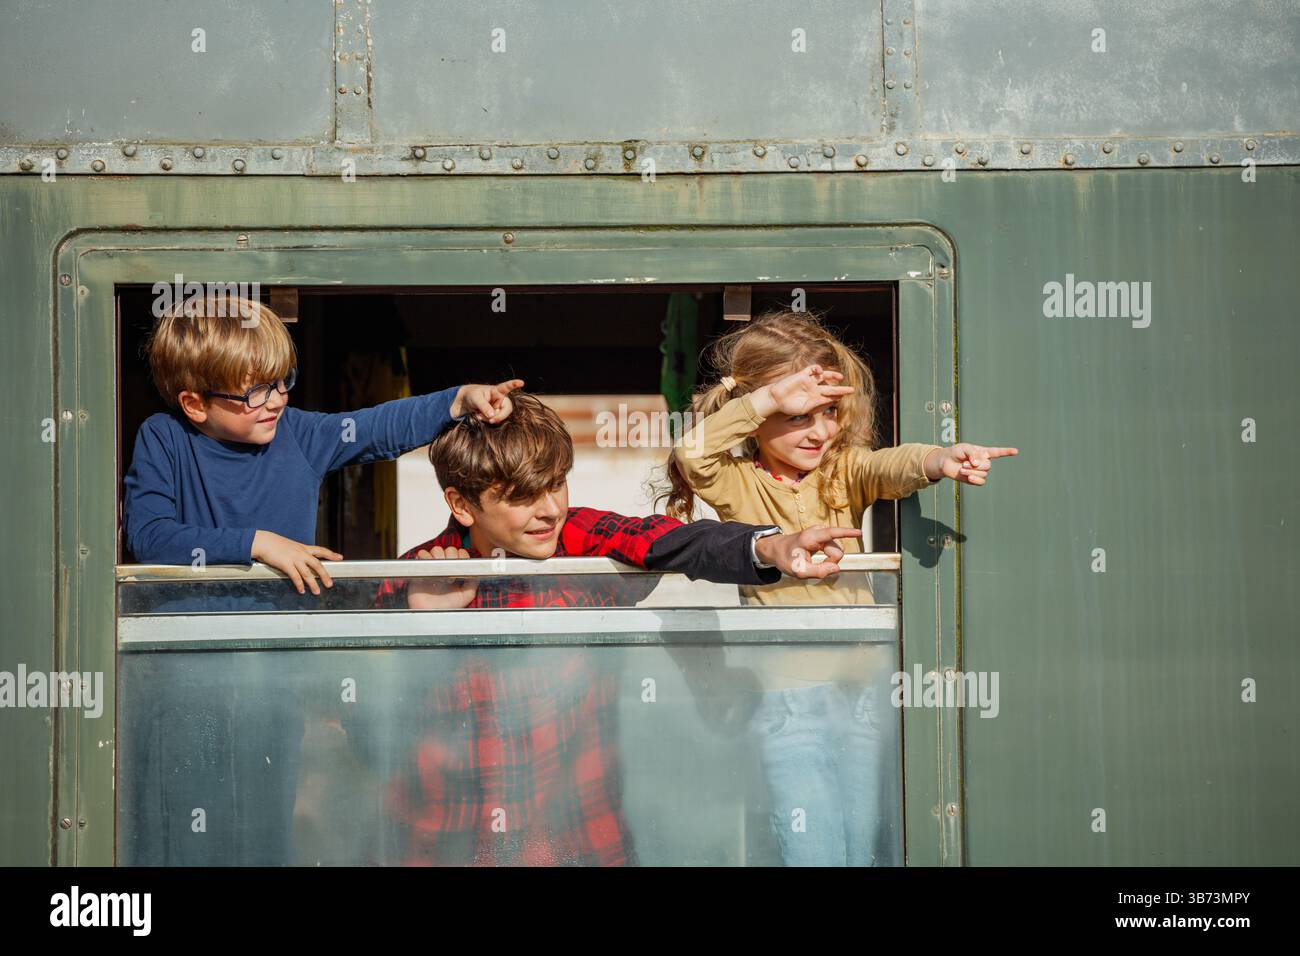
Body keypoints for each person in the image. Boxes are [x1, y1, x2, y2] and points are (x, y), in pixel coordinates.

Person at [369, 391, 862, 865]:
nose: (549, 510)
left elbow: (674, 541)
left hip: (581, 836)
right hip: (451, 844)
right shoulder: (416, 576)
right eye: (521, 496)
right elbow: (365, 727)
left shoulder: (580, 539)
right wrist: (427, 627)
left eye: (557, 483)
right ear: (461, 504)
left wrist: (766, 547)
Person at [119, 292, 519, 864]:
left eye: (284, 381)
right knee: (182, 831)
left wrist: (457, 400)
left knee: (265, 827)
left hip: (276, 682)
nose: (277, 400)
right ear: (195, 403)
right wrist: (260, 545)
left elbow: (377, 425)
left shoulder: (297, 436)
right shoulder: (165, 439)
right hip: (184, 685)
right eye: (255, 390)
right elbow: (150, 536)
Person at [660, 310, 1018, 865]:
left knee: (865, 841)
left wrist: (939, 459)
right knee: (814, 845)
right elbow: (692, 453)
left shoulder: (841, 471)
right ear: (761, 413)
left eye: (830, 413)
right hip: (786, 700)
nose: (821, 430)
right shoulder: (738, 481)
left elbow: (886, 465)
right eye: (800, 414)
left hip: (861, 694)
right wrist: (767, 398)